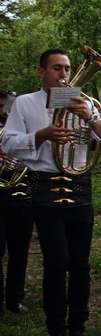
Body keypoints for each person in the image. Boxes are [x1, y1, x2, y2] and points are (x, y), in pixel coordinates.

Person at [2, 48, 101, 336]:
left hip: (80, 188)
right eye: (57, 68)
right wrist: (41, 135)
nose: (64, 74)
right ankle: (56, 334)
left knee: (80, 264)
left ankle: (78, 330)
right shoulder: (25, 103)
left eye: (67, 68)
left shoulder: (85, 103)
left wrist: (92, 118)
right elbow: (7, 142)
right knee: (57, 263)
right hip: (46, 189)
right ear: (42, 72)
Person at [0, 90, 34, 315]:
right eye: (3, 106)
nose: (6, 111)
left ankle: (15, 298)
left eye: (9, 106)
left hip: (24, 195)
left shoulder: (25, 129)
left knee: (20, 250)